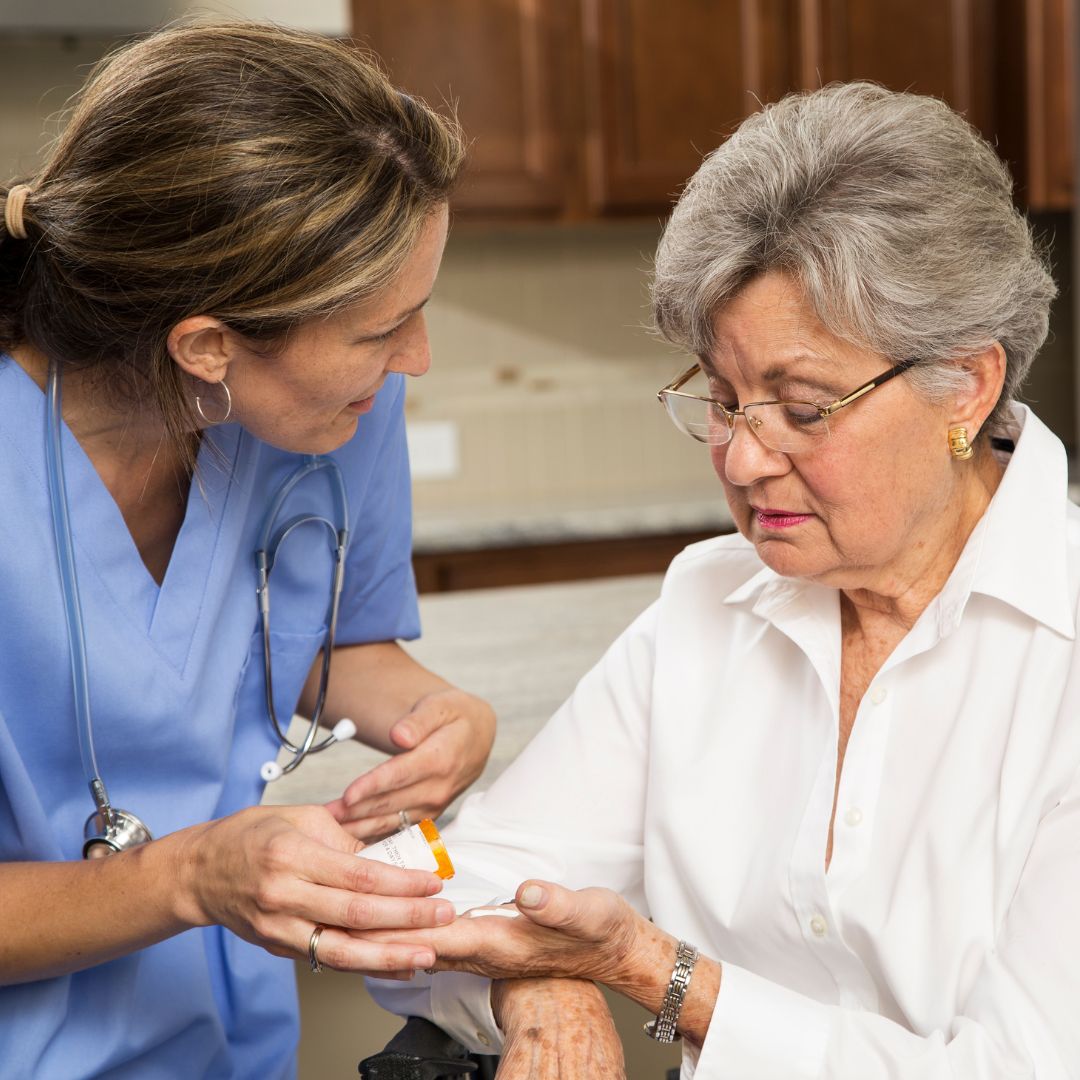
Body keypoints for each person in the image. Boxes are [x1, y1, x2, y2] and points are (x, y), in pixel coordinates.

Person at [361, 83, 1080, 1078]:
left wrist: (654, 969)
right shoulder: (709, 603)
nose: (741, 460)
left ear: (964, 385)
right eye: (724, 398)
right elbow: (444, 909)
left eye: (802, 406)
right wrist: (532, 983)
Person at [0, 21, 496, 1080]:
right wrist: (193, 875)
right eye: (379, 330)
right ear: (207, 346)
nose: (415, 355)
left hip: (227, 1044)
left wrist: (438, 714)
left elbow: (312, 644)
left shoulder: (337, 418)